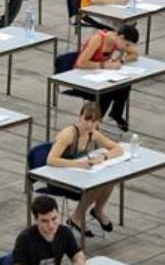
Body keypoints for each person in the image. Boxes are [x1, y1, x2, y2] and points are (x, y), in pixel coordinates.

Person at [45, 102, 123, 240]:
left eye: (94, 121)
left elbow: (118, 149)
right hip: (58, 177)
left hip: (77, 174)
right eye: (87, 119)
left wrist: (103, 156)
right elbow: (51, 159)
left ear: (98, 121)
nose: (89, 124)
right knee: (96, 185)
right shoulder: (69, 134)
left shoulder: (93, 134)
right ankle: (76, 217)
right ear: (80, 117)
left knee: (108, 180)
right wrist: (77, 164)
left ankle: (98, 210)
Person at [13, 195, 87, 265]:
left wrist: (79, 261)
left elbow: (76, 253)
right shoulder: (25, 239)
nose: (51, 225)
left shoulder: (65, 232)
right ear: (36, 220)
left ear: (59, 215)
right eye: (44, 221)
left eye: (54, 218)